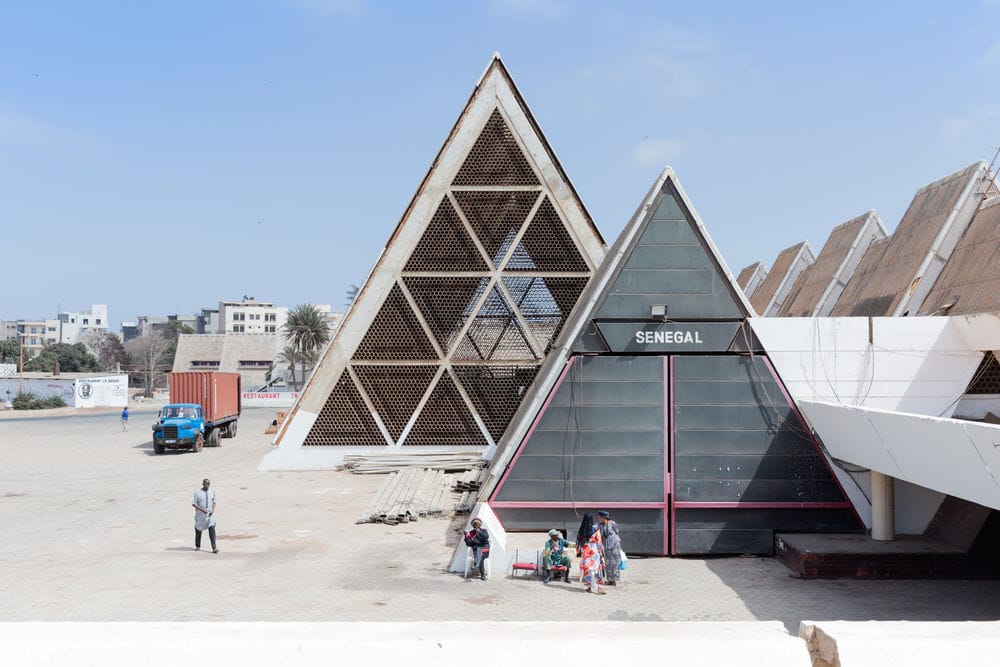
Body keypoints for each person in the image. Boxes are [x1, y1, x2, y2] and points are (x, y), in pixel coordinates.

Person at [576, 513, 605, 594]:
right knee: (594, 569)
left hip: (585, 550)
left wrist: (578, 551)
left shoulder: (581, 529)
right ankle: (598, 587)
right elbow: (599, 541)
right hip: (594, 550)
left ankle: (589, 587)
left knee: (587, 569)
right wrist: (600, 552)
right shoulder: (595, 528)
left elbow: (578, 541)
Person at [192, 478, 218, 553]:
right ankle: (197, 545)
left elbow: (214, 502)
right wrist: (202, 509)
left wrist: (212, 510)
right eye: (206, 484)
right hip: (200, 515)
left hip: (210, 515)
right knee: (198, 529)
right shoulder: (197, 492)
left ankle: (214, 548)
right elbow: (194, 504)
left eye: (209, 484)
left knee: (212, 529)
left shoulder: (212, 491)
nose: (207, 485)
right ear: (203, 484)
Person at [598, 510, 622, 586]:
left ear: (604, 517)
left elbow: (617, 533)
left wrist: (620, 545)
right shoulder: (600, 525)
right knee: (608, 563)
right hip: (606, 546)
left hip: (615, 546)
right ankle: (609, 580)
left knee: (615, 563)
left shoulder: (612, 523)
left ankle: (614, 580)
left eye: (600, 517)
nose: (599, 518)